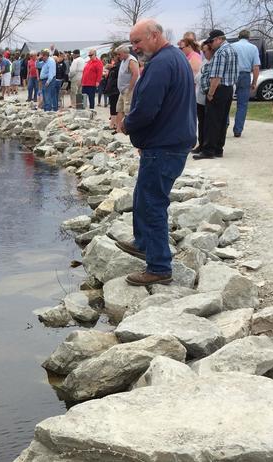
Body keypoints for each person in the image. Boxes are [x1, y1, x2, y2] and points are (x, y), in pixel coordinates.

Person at [117, 19, 196, 286]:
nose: (135, 47)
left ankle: (159, 266)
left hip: (164, 146)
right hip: (167, 141)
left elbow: (148, 108)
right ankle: (143, 243)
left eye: (138, 41)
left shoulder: (162, 63)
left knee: (152, 203)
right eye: (132, 43)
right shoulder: (173, 57)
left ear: (154, 36)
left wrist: (127, 124)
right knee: (143, 195)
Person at [194, 29, 238, 160]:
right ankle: (218, 148)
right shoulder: (232, 50)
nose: (211, 44)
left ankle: (208, 150)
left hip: (218, 89)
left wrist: (211, 93)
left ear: (219, 39)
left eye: (212, 41)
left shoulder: (220, 53)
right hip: (228, 88)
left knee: (212, 120)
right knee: (222, 120)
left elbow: (216, 76)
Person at [231, 29, 262, 137]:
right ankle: (238, 130)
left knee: (227, 101)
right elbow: (256, 67)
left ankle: (224, 125)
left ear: (238, 37)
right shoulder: (253, 48)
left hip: (232, 74)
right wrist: (254, 82)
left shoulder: (232, 46)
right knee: (242, 104)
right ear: (249, 38)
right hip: (245, 75)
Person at [193, 41, 214, 153]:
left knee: (207, 123)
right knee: (201, 123)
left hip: (207, 96)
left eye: (205, 51)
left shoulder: (213, 62)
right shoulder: (204, 62)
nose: (203, 53)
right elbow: (197, 77)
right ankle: (201, 144)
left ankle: (207, 146)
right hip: (199, 97)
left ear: (211, 50)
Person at [115, 46, 140, 129]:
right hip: (122, 90)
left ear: (125, 53)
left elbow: (135, 74)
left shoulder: (131, 60)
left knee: (127, 110)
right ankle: (118, 128)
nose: (118, 56)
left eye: (119, 54)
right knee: (119, 109)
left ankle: (127, 128)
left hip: (128, 89)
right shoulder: (123, 60)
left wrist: (130, 88)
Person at [105, 55, 121, 128]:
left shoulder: (119, 65)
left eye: (113, 56)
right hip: (112, 88)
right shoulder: (116, 65)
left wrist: (112, 67)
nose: (112, 58)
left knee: (114, 106)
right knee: (113, 106)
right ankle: (113, 123)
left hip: (115, 89)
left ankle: (113, 124)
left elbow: (118, 76)